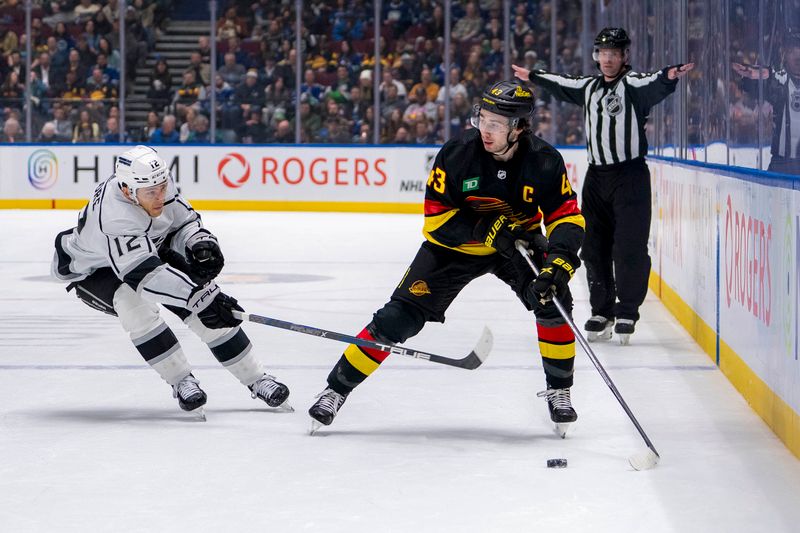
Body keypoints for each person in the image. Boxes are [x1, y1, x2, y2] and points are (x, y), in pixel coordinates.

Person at [308, 81, 585, 433]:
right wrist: (484, 228)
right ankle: (335, 389)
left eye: (496, 125)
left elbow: (567, 217)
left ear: (519, 127)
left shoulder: (544, 161)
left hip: (516, 245)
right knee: (396, 319)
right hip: (453, 249)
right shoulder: (457, 153)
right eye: (482, 119)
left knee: (554, 300)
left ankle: (559, 391)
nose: (485, 130)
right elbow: (436, 219)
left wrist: (559, 262)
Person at [51, 145, 290, 414]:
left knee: (205, 304)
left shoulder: (152, 182)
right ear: (128, 191)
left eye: (163, 187)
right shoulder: (114, 217)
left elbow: (181, 221)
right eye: (152, 193)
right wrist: (200, 298)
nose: (159, 197)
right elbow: (147, 277)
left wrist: (199, 241)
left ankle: (257, 378)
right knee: (136, 307)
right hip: (96, 270)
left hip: (147, 249)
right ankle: (181, 381)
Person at [512, 27, 694, 344]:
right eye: (603, 53)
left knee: (628, 247)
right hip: (597, 178)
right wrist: (534, 76)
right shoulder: (590, 88)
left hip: (630, 177)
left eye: (614, 53)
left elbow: (654, 82)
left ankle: (626, 311)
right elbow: (562, 83)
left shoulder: (633, 85)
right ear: (597, 56)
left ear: (625, 56)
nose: (608, 59)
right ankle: (602, 311)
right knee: (594, 248)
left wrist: (670, 75)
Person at [732, 31, 800, 175]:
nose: (797, 55)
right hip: (781, 163)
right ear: (785, 55)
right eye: (791, 50)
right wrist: (749, 76)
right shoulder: (779, 80)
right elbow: (757, 79)